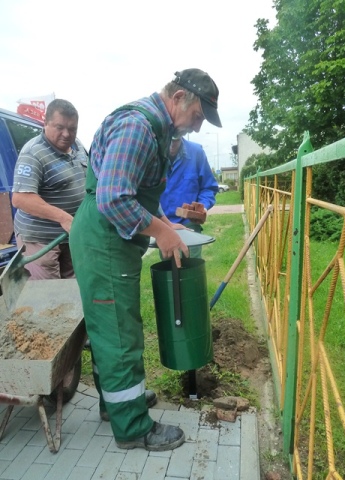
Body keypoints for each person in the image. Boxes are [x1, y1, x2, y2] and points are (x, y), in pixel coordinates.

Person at [69, 68, 222, 452]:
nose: (197, 127)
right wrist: (161, 232)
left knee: (111, 327)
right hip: (103, 240)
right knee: (121, 333)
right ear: (179, 98)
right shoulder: (138, 126)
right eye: (198, 116)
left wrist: (165, 222)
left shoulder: (158, 128)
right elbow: (113, 199)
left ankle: (118, 404)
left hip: (111, 240)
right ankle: (134, 428)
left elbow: (138, 196)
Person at [12, 99, 87, 280]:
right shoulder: (34, 153)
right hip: (41, 240)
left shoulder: (78, 146)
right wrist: (63, 217)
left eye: (72, 128)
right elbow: (21, 199)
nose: (67, 134)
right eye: (59, 127)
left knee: (73, 290)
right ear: (45, 123)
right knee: (46, 297)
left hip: (71, 235)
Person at [160, 136, 218, 258]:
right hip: (164, 226)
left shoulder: (196, 153)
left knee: (192, 271)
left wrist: (203, 208)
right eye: (168, 140)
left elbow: (208, 187)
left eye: (175, 141)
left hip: (190, 226)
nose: (171, 145)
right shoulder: (155, 155)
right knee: (168, 272)